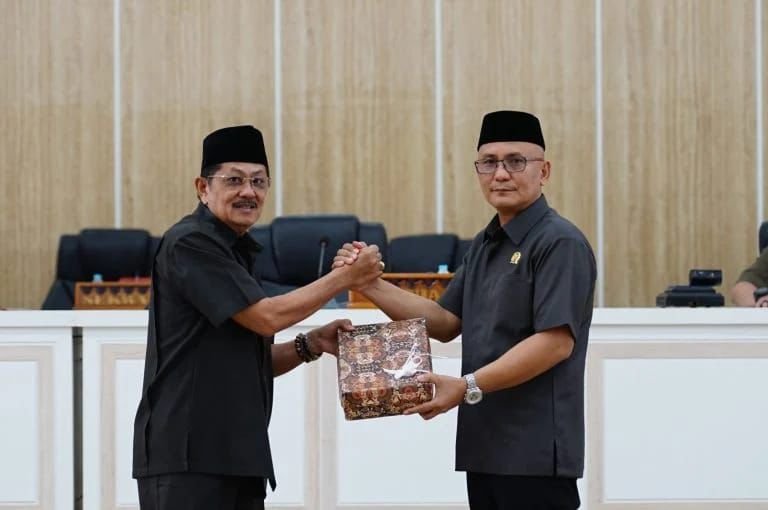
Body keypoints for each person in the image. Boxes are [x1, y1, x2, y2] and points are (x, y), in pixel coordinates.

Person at [334, 111, 596, 509]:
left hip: (534, 452)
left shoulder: (559, 242)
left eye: (515, 161)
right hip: (485, 448)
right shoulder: (486, 244)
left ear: (544, 171)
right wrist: (368, 284)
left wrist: (468, 385)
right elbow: (444, 322)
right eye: (488, 163)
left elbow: (555, 343)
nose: (500, 174)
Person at [132, 125, 383, 510]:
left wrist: (311, 344)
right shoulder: (191, 243)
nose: (249, 191)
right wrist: (345, 278)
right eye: (234, 180)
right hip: (188, 457)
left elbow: (246, 361)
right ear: (203, 188)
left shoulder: (240, 250)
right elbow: (266, 318)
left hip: (237, 458)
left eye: (258, 181)